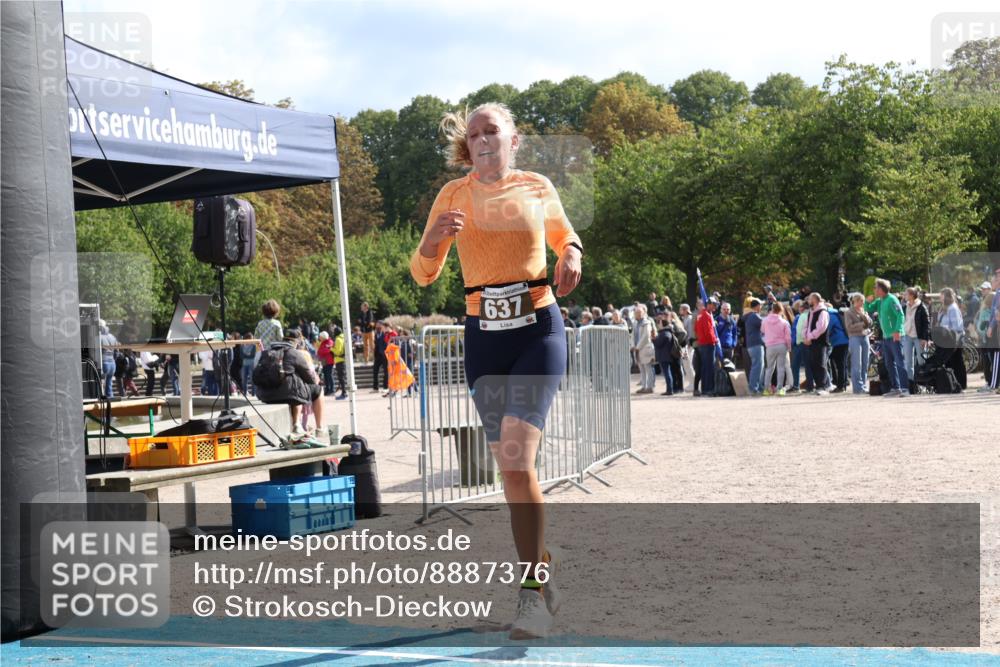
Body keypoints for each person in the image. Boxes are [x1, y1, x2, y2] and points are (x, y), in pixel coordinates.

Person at [409, 102, 582, 639]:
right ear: (468, 145)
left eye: (493, 131)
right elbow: (422, 273)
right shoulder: (453, 196)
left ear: (513, 139)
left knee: (515, 454)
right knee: (510, 470)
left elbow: (566, 236)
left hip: (537, 330)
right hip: (484, 337)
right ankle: (542, 565)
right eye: (475, 134)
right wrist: (434, 237)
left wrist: (572, 255)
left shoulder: (536, 186)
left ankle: (531, 595)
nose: (483, 140)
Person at [255, 328, 329, 445]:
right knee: (317, 390)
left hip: (265, 395)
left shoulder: (267, 352)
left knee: (294, 389)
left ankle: (297, 424)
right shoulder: (294, 353)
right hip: (288, 395)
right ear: (297, 342)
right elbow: (310, 379)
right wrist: (317, 380)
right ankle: (319, 428)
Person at [867, 279, 908, 397]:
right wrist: (867, 302)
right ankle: (896, 388)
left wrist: (897, 330)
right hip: (886, 337)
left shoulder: (892, 299)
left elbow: (900, 315)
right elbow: (869, 308)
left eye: (875, 287)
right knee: (889, 363)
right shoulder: (880, 301)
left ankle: (905, 388)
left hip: (895, 336)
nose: (874, 290)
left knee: (900, 362)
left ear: (881, 289)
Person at [937, 287, 967, 390]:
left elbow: (957, 326)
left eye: (942, 295)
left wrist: (947, 331)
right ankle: (952, 384)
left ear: (947, 296)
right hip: (946, 340)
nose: (940, 297)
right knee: (950, 362)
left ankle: (961, 384)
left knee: (957, 362)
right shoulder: (944, 308)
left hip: (954, 340)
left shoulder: (952, 308)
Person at [803, 292, 831, 396]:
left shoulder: (822, 312)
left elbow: (821, 328)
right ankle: (818, 386)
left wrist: (810, 337)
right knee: (813, 364)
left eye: (810, 299)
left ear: (815, 300)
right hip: (811, 342)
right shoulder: (811, 311)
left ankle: (823, 386)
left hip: (820, 342)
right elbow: (806, 326)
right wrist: (805, 336)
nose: (808, 301)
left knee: (820, 364)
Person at [844, 293, 873, 394]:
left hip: (865, 337)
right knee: (857, 363)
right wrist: (862, 324)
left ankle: (863, 385)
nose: (862, 303)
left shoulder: (863, 311)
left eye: (863, 301)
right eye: (860, 301)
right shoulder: (848, 312)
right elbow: (849, 327)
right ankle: (857, 387)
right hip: (854, 338)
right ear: (855, 301)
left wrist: (866, 318)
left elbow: (870, 323)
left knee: (865, 362)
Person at [761, 301, 792, 395]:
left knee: (769, 368)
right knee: (781, 368)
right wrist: (789, 347)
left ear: (772, 309)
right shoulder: (784, 322)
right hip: (781, 345)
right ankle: (779, 389)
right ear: (781, 310)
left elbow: (762, 330)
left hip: (770, 346)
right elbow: (788, 336)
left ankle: (766, 389)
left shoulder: (765, 320)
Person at [901, 287, 930, 383]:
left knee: (921, 360)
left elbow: (927, 324)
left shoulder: (921, 307)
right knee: (908, 362)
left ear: (912, 295)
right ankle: (910, 384)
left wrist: (925, 338)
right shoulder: (905, 307)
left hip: (919, 337)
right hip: (907, 336)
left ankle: (925, 381)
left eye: (906, 294)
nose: (904, 296)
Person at [696, 297, 719, 396]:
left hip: (702, 343)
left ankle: (705, 388)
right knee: (709, 367)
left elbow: (696, 328)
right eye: (714, 304)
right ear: (709, 304)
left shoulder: (701, 314)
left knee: (705, 367)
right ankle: (708, 389)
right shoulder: (706, 315)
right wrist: (715, 339)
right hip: (708, 344)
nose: (715, 306)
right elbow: (709, 331)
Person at [826, 302, 850, 393]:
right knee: (842, 364)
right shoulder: (836, 314)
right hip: (843, 340)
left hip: (839, 342)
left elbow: (827, 328)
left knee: (840, 364)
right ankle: (843, 384)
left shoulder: (830, 315)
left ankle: (841, 386)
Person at [632, 305, 656, 394]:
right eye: (636, 313)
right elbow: (632, 336)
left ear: (643, 313)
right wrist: (633, 345)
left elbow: (646, 336)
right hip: (637, 349)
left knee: (648, 368)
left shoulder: (647, 322)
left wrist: (637, 347)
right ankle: (643, 386)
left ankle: (650, 387)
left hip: (645, 348)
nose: (637, 314)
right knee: (641, 369)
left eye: (639, 313)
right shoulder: (635, 323)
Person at [253, 299, 284, 367]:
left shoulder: (260, 324)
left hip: (262, 353)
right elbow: (281, 339)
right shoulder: (277, 324)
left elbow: (255, 339)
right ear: (275, 311)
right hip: (274, 353)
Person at [743, 299, 764, 395]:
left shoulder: (749, 316)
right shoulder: (754, 316)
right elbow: (764, 324)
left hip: (752, 345)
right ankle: (753, 388)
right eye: (761, 305)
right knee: (757, 366)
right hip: (756, 344)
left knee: (759, 366)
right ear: (757, 306)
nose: (761, 307)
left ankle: (758, 387)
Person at [653, 314, 676, 395]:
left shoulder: (664, 333)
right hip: (666, 355)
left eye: (659, 323)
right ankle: (670, 389)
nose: (658, 325)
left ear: (662, 324)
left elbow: (658, 343)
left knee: (667, 373)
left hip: (664, 356)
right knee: (667, 373)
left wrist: (654, 339)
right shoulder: (667, 332)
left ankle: (669, 390)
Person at [98, 320, 118, 398]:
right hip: (112, 363)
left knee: (101, 382)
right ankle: (110, 398)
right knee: (109, 383)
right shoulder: (112, 336)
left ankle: (102, 399)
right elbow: (117, 351)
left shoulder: (98, 337)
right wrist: (113, 359)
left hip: (104, 362)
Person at [317, 330, 336, 395]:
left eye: (320, 337)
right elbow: (319, 351)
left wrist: (322, 351)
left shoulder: (329, 342)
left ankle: (332, 390)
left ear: (323, 337)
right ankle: (327, 389)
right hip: (324, 361)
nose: (319, 338)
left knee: (329, 376)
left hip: (329, 361)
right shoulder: (323, 342)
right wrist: (322, 351)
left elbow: (327, 350)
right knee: (326, 376)